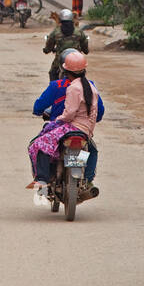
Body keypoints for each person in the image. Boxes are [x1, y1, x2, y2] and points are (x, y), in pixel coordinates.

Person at [26, 51, 101, 199]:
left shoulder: (67, 87)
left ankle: (42, 179)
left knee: (37, 144)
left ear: (64, 70)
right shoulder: (90, 86)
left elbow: (69, 114)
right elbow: (98, 111)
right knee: (93, 150)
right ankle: (88, 181)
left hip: (71, 126)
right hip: (86, 130)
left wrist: (57, 120)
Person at [43, 9, 89, 80]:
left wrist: (46, 50)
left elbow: (49, 44)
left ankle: (54, 89)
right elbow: (84, 44)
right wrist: (86, 50)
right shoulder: (78, 31)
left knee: (53, 72)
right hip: (76, 61)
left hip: (59, 61)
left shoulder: (56, 31)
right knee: (82, 74)